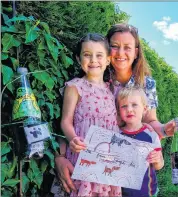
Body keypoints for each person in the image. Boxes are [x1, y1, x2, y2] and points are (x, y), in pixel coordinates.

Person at [54, 23, 178, 194]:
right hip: (93, 166)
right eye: (115, 46)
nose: (121, 52)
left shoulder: (146, 84)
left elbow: (149, 122)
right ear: (109, 51)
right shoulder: (95, 77)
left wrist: (164, 129)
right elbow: (73, 120)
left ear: (136, 52)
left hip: (130, 170)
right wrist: (60, 157)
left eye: (127, 47)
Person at [51, 33, 121, 197]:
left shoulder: (114, 90)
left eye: (99, 55)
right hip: (83, 155)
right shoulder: (75, 87)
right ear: (78, 58)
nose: (93, 60)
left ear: (108, 60)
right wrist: (72, 138)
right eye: (87, 55)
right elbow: (66, 121)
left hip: (108, 159)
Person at [116, 86, 164, 197]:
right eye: (124, 106)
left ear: (145, 108)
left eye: (134, 105)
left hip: (147, 192)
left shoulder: (151, 134)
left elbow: (159, 165)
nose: (129, 109)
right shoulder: (116, 135)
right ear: (119, 111)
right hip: (122, 193)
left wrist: (157, 160)